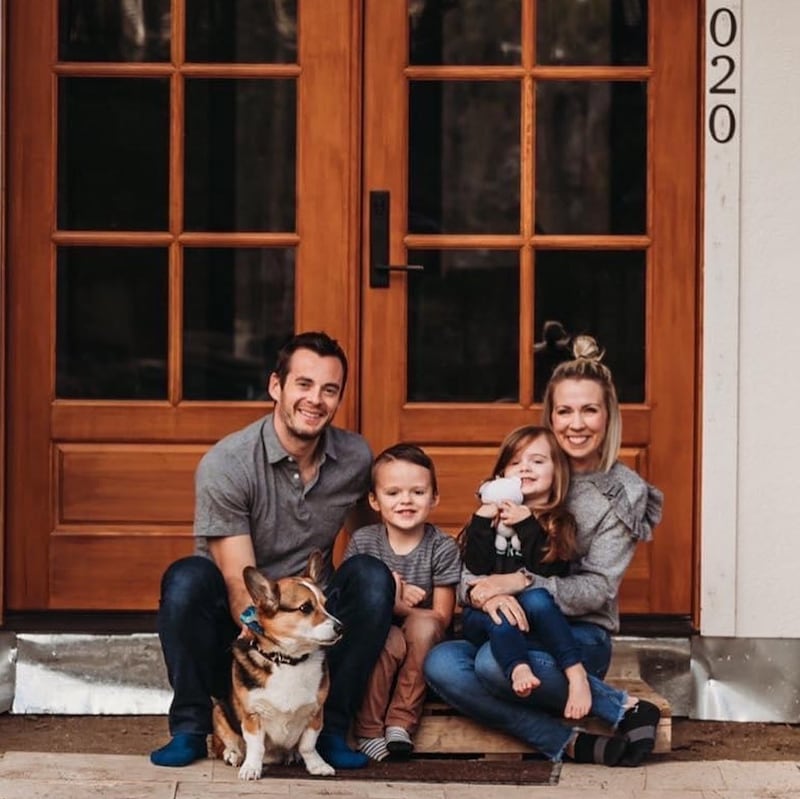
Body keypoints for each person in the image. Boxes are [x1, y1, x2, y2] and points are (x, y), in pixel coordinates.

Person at [150, 331, 395, 770]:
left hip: (314, 620)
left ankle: (330, 729)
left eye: (329, 389)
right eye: (304, 384)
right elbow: (237, 579)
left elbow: (370, 540)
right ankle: (190, 726)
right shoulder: (229, 463)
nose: (315, 399)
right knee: (186, 579)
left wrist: (404, 589)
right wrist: (274, 640)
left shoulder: (355, 457)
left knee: (372, 577)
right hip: (242, 627)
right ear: (276, 386)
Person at [424, 335, 664, 768]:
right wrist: (483, 594)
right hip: (506, 629)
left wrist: (519, 582)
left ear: (608, 416)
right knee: (442, 663)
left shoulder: (623, 493)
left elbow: (596, 589)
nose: (576, 424)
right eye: (564, 411)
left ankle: (619, 705)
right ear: (550, 416)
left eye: (589, 410)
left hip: (577, 635)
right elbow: (475, 562)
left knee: (492, 666)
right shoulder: (526, 470)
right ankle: (569, 740)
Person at [459, 425, 594, 719]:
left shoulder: (560, 522)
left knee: (537, 598)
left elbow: (550, 570)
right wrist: (481, 524)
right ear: (501, 475)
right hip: (488, 617)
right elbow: (475, 568)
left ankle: (576, 673)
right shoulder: (486, 519)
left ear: (557, 472)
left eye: (537, 461)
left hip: (537, 619)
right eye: (515, 462)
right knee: (498, 612)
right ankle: (518, 667)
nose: (525, 468)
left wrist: (527, 525)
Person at [344, 444, 461, 762]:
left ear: (434, 498)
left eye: (418, 492)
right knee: (390, 639)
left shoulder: (442, 547)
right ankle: (368, 729)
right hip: (377, 636)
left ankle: (400, 723)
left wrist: (397, 604)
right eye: (393, 493)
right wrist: (390, 595)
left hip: (425, 641)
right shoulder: (364, 542)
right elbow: (353, 606)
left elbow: (442, 616)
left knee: (423, 624)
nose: (406, 500)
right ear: (374, 500)